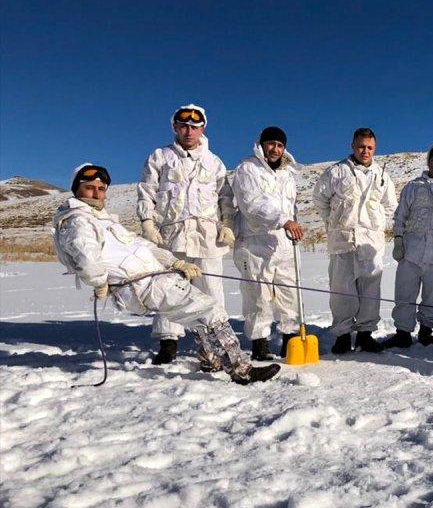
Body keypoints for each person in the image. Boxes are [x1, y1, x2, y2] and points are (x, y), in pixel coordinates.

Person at [53, 164, 279, 385]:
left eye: (101, 189)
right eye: (89, 187)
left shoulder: (103, 220)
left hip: (154, 277)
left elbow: (142, 245)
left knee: (198, 315)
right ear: (76, 189)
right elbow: (85, 258)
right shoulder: (77, 221)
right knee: (211, 310)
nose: (96, 193)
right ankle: (242, 371)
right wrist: (99, 282)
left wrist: (174, 261)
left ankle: (212, 361)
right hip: (138, 285)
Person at [137, 104, 236, 366]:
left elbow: (225, 197)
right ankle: (168, 343)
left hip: (207, 238)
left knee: (211, 291)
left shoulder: (214, 162)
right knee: (169, 288)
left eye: (194, 126)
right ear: (175, 127)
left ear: (202, 128)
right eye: (183, 126)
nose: (188, 131)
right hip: (171, 236)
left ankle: (213, 344)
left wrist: (227, 224)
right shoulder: (160, 156)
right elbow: (147, 190)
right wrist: (148, 222)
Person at [313, 128, 397, 354]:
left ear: (375, 148)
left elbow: (390, 205)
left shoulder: (381, 176)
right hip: (343, 239)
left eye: (370, 147)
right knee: (342, 288)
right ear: (352, 146)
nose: (365, 151)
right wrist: (333, 221)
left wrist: (376, 224)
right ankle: (342, 334)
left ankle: (365, 334)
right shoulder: (337, 172)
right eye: (361, 146)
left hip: (371, 241)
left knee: (370, 288)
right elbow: (319, 199)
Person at [229, 126, 303, 361]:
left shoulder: (287, 173)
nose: (275, 149)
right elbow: (252, 205)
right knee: (258, 295)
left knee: (289, 292)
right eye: (271, 143)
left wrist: (292, 221)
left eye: (280, 145)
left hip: (284, 242)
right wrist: (284, 220)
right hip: (254, 243)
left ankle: (290, 340)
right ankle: (260, 343)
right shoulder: (247, 169)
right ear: (261, 144)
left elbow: (291, 205)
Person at [384, 143, 433, 348]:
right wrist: (399, 240)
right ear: (429, 161)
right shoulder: (413, 186)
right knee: (405, 292)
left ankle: (426, 331)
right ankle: (402, 333)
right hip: (412, 250)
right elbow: (400, 216)